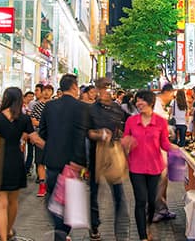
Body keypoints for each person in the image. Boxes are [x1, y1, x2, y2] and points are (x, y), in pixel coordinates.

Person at [0, 87, 44, 241]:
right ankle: (9, 230)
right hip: (16, 160)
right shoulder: (24, 119)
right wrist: (52, 148)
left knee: (0, 203)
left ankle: (3, 238)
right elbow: (35, 139)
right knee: (13, 201)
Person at [39, 74, 88, 241]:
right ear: (74, 87)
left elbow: (42, 132)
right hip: (72, 162)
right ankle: (62, 234)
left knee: (53, 197)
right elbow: (81, 136)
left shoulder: (49, 106)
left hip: (52, 159)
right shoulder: (81, 107)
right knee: (69, 201)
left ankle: (59, 233)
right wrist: (80, 161)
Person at [122, 90, 175, 241]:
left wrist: (175, 148)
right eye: (137, 101)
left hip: (155, 166)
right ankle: (143, 236)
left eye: (142, 100)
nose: (139, 103)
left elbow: (164, 143)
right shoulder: (131, 121)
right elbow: (126, 140)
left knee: (151, 202)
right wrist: (125, 144)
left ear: (151, 102)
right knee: (140, 201)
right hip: (136, 167)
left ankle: (148, 225)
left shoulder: (160, 121)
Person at [86, 78, 128, 240]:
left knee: (118, 193)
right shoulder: (91, 110)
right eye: (102, 88)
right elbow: (87, 132)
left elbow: (122, 129)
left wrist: (122, 138)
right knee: (94, 193)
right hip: (95, 153)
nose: (105, 91)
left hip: (114, 152)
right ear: (96, 90)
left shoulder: (117, 109)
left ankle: (121, 230)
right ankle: (94, 225)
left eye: (108, 88)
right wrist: (98, 134)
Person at [152, 83, 176, 223]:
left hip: (161, 147)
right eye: (172, 94)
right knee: (159, 179)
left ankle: (162, 208)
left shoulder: (159, 105)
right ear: (168, 92)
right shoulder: (156, 105)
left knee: (163, 179)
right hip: (156, 148)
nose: (172, 97)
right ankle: (157, 210)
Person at [29, 84, 54, 196]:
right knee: (40, 161)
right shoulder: (37, 106)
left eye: (49, 90)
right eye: (45, 90)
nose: (46, 93)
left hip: (53, 137)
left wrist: (42, 124)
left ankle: (52, 185)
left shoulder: (55, 105)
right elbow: (33, 121)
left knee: (52, 162)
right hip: (40, 136)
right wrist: (46, 124)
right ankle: (42, 186)